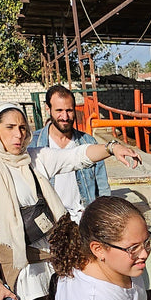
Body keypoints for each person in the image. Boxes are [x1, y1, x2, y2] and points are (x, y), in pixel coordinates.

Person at [0, 102, 140, 300]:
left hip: (61, 259)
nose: (18, 134)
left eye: (23, 128)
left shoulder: (34, 159)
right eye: (10, 128)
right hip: (25, 269)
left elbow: (76, 157)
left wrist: (110, 148)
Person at [29, 85, 112, 222]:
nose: (65, 117)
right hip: (50, 222)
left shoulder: (88, 142)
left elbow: (102, 187)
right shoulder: (34, 145)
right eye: (59, 110)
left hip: (83, 220)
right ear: (48, 109)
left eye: (69, 110)